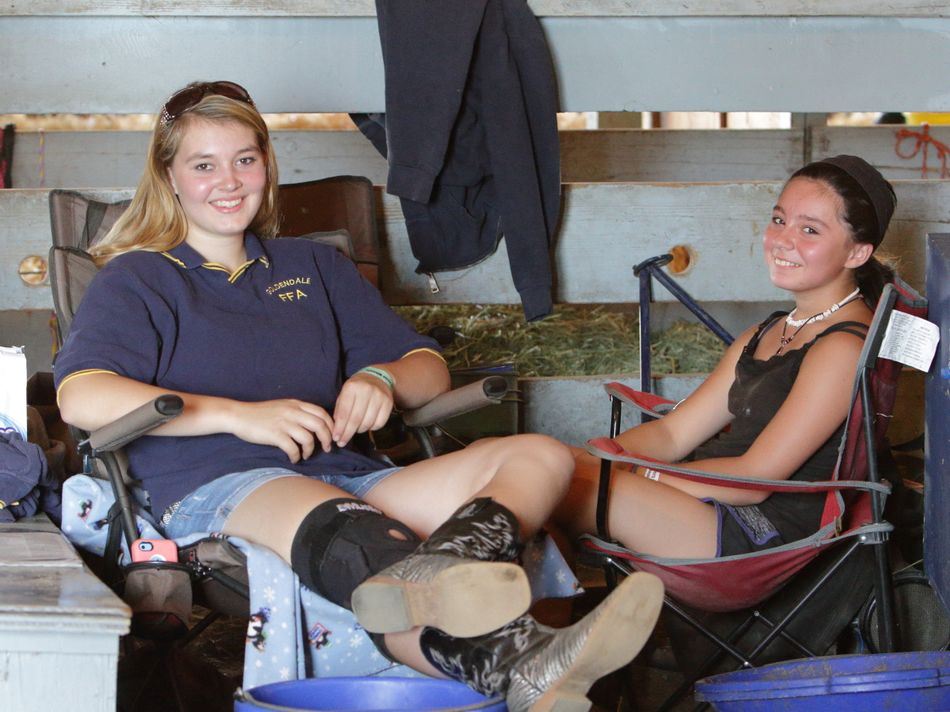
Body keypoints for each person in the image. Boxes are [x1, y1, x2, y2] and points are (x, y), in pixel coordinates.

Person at [53, 81, 663, 711]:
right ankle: (524, 659)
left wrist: (382, 379)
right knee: (349, 528)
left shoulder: (311, 267)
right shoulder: (140, 278)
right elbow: (81, 396)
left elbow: (426, 367)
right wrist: (239, 417)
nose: (229, 181)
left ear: (267, 164)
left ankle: (443, 567)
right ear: (170, 177)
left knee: (541, 457)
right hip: (220, 485)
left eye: (245, 159)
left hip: (349, 474)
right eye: (203, 165)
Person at [555, 155, 896, 561]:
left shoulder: (843, 347)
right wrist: (606, 457)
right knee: (548, 462)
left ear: (856, 253)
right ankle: (535, 612)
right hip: (705, 498)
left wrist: (634, 474)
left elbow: (753, 481)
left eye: (810, 230)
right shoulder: (766, 332)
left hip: (758, 530)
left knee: (554, 480)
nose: (783, 240)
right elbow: (672, 435)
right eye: (778, 220)